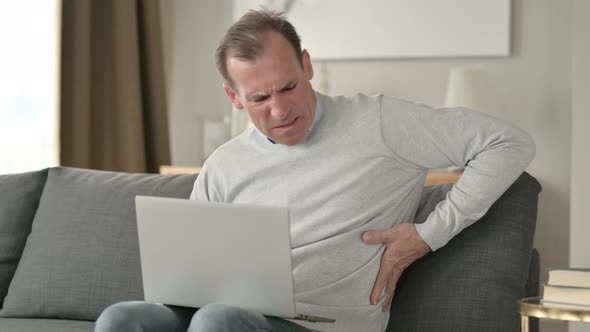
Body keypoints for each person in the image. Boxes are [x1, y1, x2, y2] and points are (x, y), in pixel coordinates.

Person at [95, 9, 535, 332]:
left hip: (320, 323)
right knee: (123, 318)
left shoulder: (379, 123)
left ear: (306, 66)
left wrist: (427, 234)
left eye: (288, 86)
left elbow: (510, 143)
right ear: (233, 98)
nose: (281, 110)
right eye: (259, 99)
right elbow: (190, 271)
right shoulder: (225, 164)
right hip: (223, 313)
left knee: (218, 321)